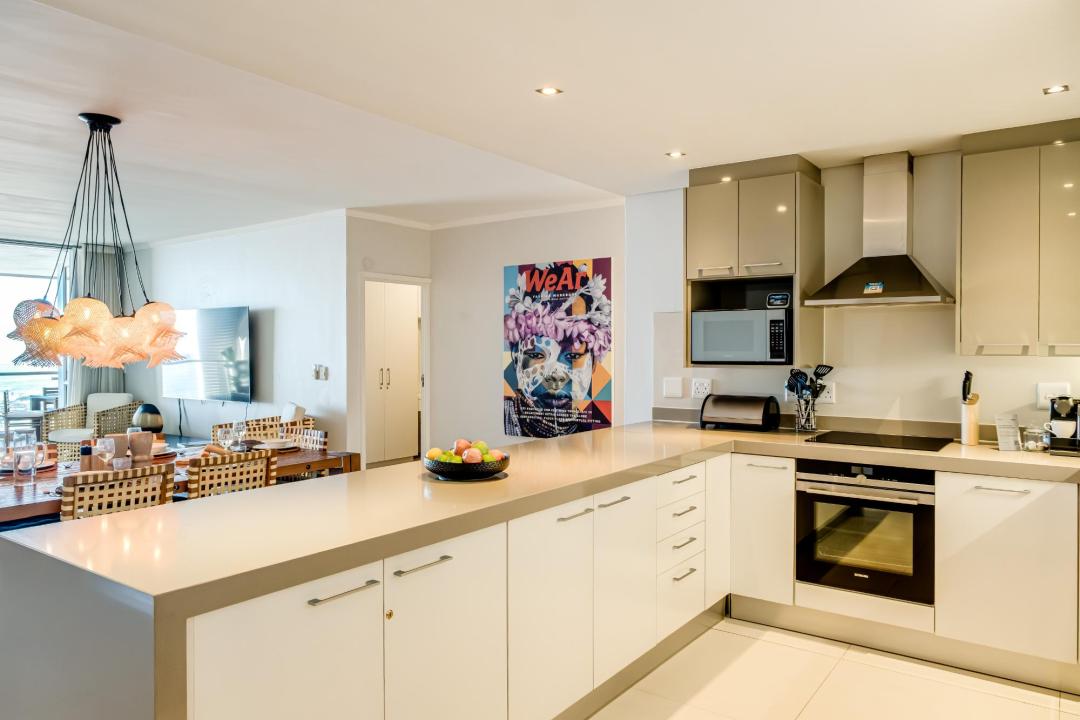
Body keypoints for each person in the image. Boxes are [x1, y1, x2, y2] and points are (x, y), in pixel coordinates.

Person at [503, 263, 612, 437]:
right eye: (537, 354)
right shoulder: (498, 419)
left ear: (593, 364)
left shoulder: (596, 436)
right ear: (516, 357)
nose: (555, 375)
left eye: (573, 355)